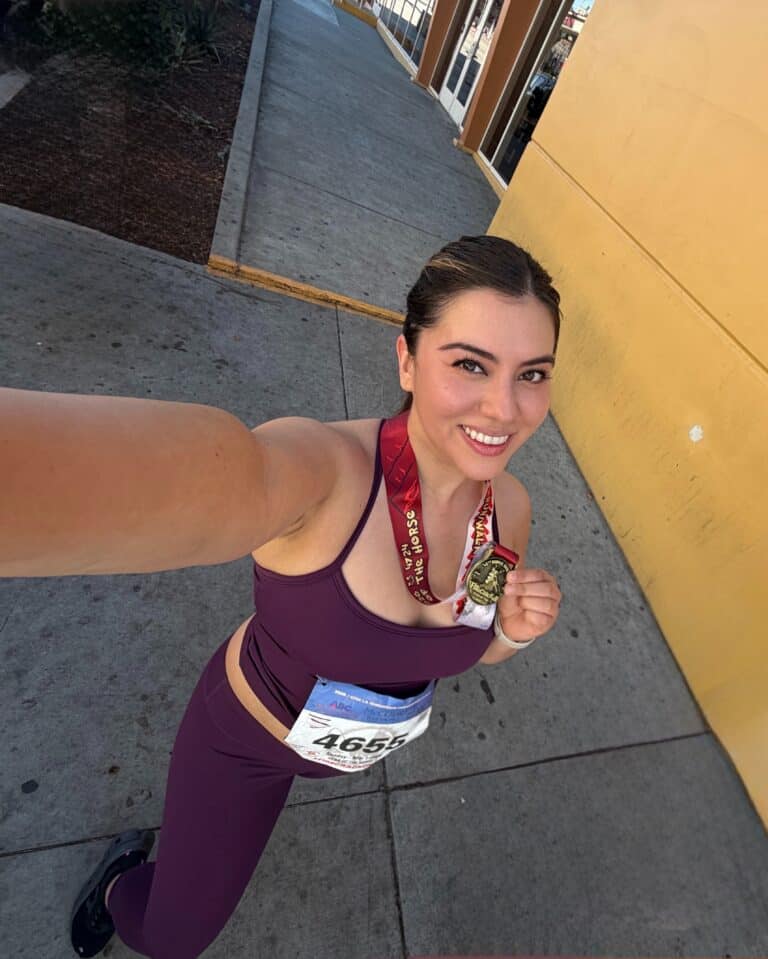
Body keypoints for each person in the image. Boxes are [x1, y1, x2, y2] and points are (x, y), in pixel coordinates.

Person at [1, 234, 563, 959]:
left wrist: (511, 633)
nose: (505, 405)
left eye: (534, 373)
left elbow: (475, 638)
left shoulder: (508, 512)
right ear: (406, 360)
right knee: (173, 937)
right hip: (246, 744)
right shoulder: (322, 476)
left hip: (338, 747)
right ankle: (120, 886)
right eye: (469, 364)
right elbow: (224, 476)